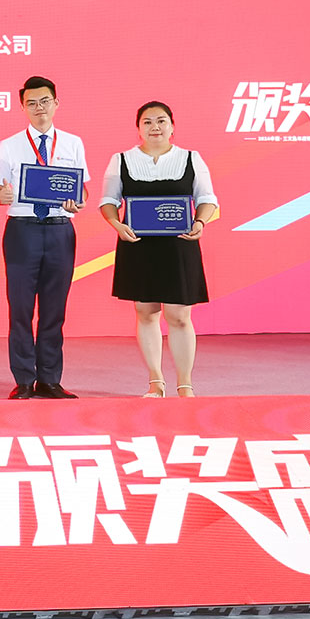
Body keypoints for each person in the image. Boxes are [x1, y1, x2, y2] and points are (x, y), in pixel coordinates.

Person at [98, 101, 219, 398]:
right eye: (148, 122)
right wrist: (117, 225)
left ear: (172, 126)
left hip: (179, 245)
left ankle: (185, 384)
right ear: (138, 128)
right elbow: (108, 202)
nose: (155, 127)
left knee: (179, 316)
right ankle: (155, 381)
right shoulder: (121, 160)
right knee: (146, 312)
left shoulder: (191, 158)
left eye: (161, 121)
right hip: (138, 245)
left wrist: (200, 222)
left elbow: (207, 198)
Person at [0, 75, 90, 400]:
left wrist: (79, 200)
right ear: (23, 107)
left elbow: (83, 190)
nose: (39, 108)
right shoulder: (10, 145)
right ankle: (24, 379)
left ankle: (49, 379)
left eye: (44, 101)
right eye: (31, 103)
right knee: (20, 308)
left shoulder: (73, 143)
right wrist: (1, 196)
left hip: (60, 230)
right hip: (22, 231)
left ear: (56, 103)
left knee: (54, 309)